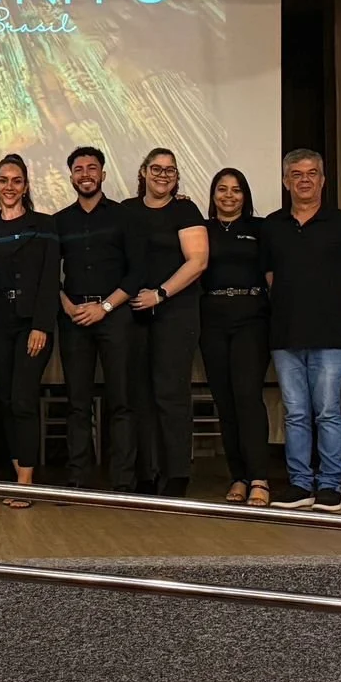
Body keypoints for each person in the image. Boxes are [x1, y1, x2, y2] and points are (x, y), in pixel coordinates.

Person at [262, 149, 341, 512]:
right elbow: (270, 278)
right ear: (286, 181)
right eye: (296, 174)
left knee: (328, 412)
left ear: (322, 180)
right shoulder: (272, 226)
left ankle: (330, 485)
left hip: (330, 333)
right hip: (286, 333)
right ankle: (300, 483)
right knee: (295, 413)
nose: (304, 180)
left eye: (312, 173)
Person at [54, 147, 140, 492]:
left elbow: (137, 273)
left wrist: (104, 307)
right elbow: (50, 275)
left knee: (122, 400)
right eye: (78, 169)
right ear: (71, 176)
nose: (86, 174)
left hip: (115, 316)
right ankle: (79, 479)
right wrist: (65, 304)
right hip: (74, 318)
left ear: (103, 174)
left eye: (92, 168)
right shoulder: (59, 221)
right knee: (77, 402)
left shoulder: (124, 217)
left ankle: (123, 481)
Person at [124, 149, 208, 498]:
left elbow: (198, 260)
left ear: (177, 176)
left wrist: (160, 294)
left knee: (171, 394)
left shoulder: (185, 210)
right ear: (143, 171)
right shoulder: (126, 211)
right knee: (139, 395)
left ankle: (176, 474)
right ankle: (146, 473)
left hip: (175, 311)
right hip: (133, 314)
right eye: (155, 169)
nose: (162, 175)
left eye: (169, 170)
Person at [0, 154, 59, 507]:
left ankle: (26, 480)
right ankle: (16, 474)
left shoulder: (44, 225)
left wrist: (41, 325)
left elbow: (48, 281)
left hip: (32, 325)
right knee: (8, 400)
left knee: (25, 400)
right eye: (3, 180)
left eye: (16, 180)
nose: (9, 187)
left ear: (25, 186)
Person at [197, 168, 271, 507]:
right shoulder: (202, 230)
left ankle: (259, 477)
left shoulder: (260, 228)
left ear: (246, 195)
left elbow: (273, 275)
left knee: (247, 398)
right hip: (212, 319)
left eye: (237, 190)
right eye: (222, 190)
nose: (229, 196)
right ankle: (238, 476)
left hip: (251, 319)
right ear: (213, 195)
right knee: (224, 401)